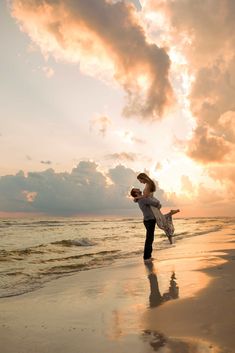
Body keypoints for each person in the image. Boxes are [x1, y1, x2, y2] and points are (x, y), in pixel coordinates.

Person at [135, 173, 180, 244]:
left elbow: (146, 196)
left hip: (152, 205)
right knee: (162, 220)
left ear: (143, 178)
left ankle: (171, 214)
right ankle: (171, 213)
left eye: (140, 180)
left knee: (161, 221)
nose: (140, 182)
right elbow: (146, 196)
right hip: (152, 203)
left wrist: (137, 198)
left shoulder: (148, 184)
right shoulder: (149, 183)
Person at [130, 187, 161, 262]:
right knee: (149, 239)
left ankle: (148, 256)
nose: (138, 188)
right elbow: (155, 203)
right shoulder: (143, 199)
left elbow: (135, 200)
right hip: (149, 220)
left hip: (147, 220)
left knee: (149, 239)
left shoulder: (140, 199)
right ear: (136, 193)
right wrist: (157, 202)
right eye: (136, 189)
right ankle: (147, 257)